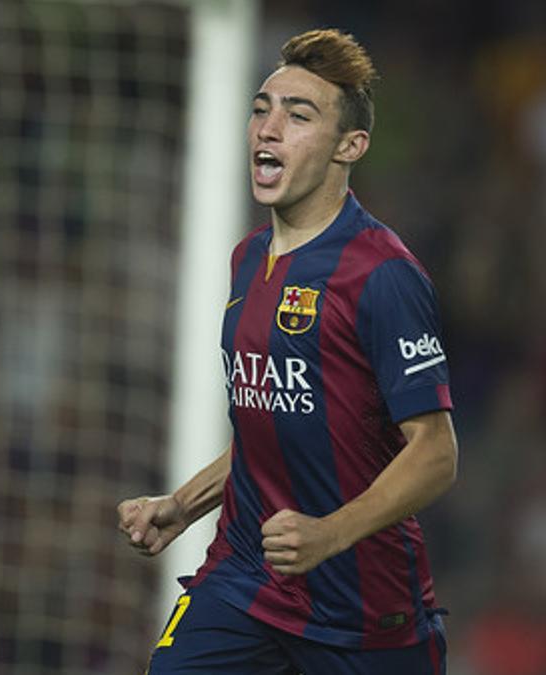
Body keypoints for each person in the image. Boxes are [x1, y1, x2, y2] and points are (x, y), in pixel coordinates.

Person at [118, 29, 458, 674]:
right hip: (247, 580)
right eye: (261, 109)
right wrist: (182, 506)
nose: (268, 129)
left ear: (348, 146)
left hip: (363, 612)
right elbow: (274, 419)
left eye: (298, 116)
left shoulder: (380, 273)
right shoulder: (248, 259)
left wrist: (330, 533)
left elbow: (437, 454)